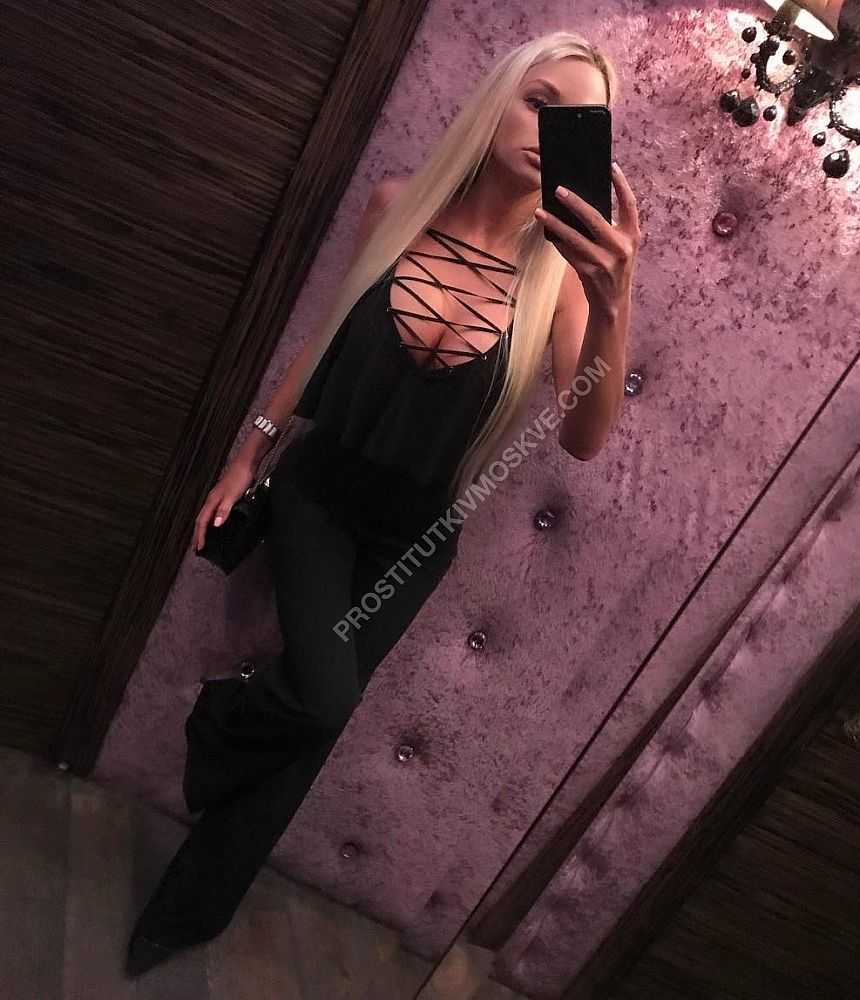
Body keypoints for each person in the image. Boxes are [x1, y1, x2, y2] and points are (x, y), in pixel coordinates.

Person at [125, 28, 639, 977]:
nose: (547, 131)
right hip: (320, 492)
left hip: (418, 533)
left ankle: (186, 913)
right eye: (538, 102)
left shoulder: (563, 281)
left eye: (576, 120)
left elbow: (582, 437)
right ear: (497, 99)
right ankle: (214, 737)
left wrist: (613, 302)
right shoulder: (397, 207)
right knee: (323, 698)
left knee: (316, 729)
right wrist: (249, 454)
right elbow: (322, 344)